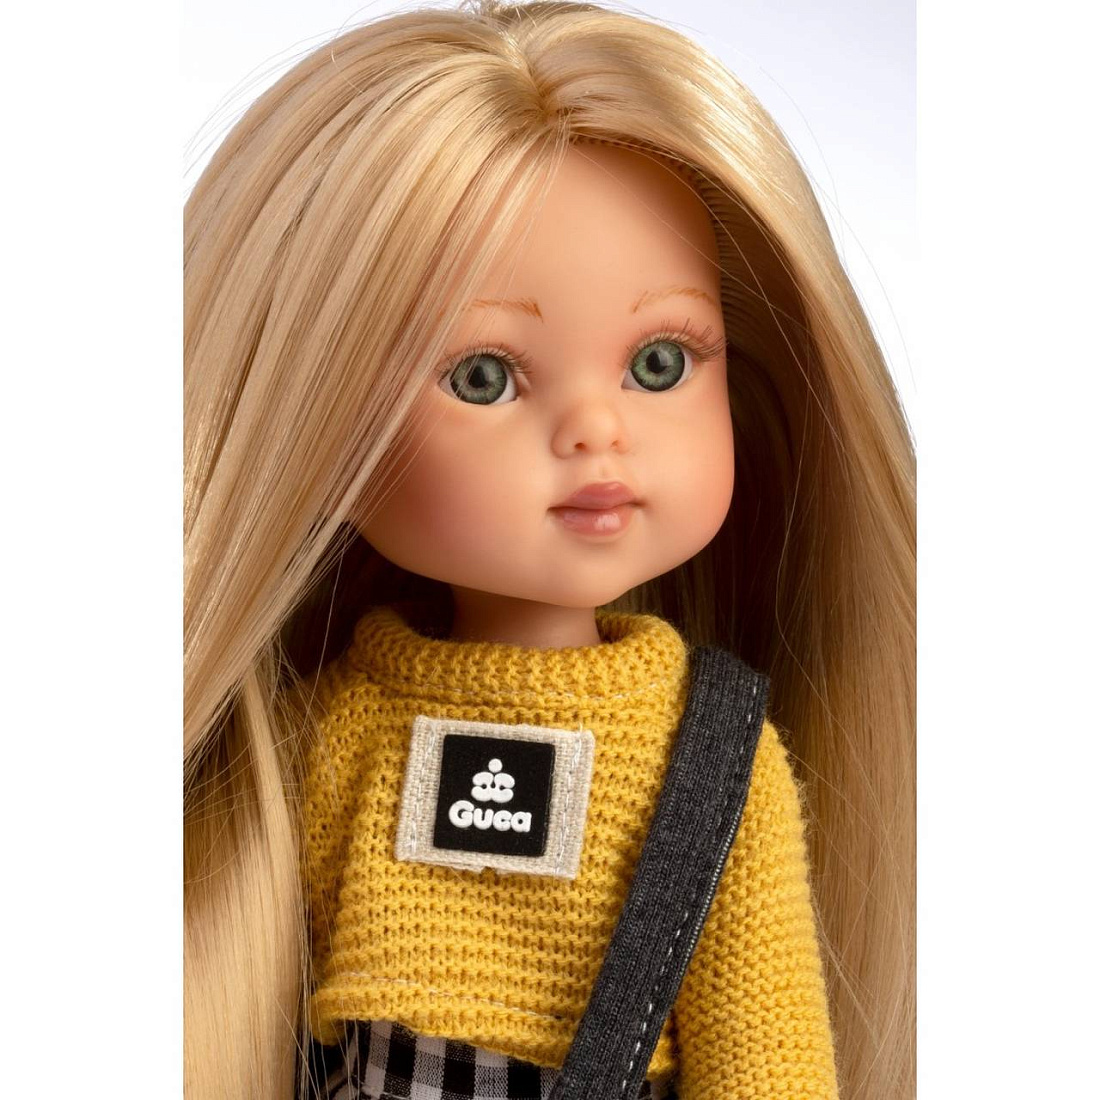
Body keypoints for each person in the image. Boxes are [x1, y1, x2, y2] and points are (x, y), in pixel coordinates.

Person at [183, 4, 915, 1099]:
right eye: (482, 377)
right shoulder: (335, 737)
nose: (594, 432)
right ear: (321, 429)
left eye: (660, 362)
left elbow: (766, 1054)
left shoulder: (710, 764)